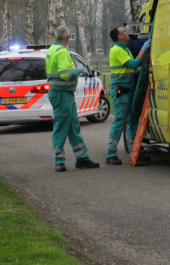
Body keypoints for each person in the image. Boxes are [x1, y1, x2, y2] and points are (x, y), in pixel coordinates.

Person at [47, 26, 99, 172]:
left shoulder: (52, 49)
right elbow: (66, 74)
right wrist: (79, 70)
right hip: (62, 94)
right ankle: (59, 161)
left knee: (73, 127)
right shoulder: (62, 51)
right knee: (62, 127)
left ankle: (82, 158)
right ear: (68, 38)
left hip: (62, 94)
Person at [106, 26, 150, 165]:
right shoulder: (118, 50)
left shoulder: (124, 49)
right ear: (119, 36)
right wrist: (144, 49)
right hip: (120, 90)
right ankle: (110, 153)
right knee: (120, 119)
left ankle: (134, 152)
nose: (127, 32)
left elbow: (133, 71)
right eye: (124, 31)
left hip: (128, 88)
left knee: (133, 118)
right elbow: (133, 64)